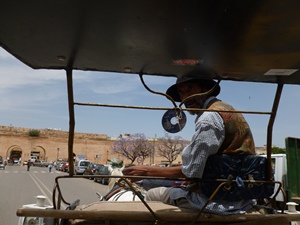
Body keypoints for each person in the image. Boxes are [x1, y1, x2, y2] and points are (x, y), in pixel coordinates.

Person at [123, 70, 256, 215]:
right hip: (239, 194)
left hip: (217, 201)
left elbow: (193, 171)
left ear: (206, 89)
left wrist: (146, 171)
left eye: (191, 89)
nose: (185, 97)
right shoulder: (226, 109)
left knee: (153, 194)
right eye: (181, 92)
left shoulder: (208, 118)